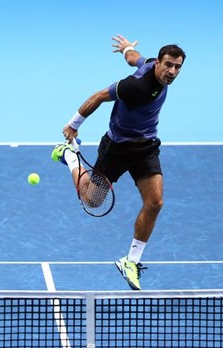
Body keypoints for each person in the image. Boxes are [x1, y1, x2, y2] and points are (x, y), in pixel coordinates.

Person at [51, 34, 186, 290]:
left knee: (155, 202)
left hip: (146, 148)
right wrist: (73, 124)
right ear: (158, 63)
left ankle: (130, 261)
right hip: (117, 149)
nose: (172, 71)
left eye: (177, 67)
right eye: (168, 64)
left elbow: (136, 59)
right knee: (91, 199)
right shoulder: (137, 87)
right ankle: (69, 156)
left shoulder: (150, 65)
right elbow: (99, 95)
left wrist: (126, 49)